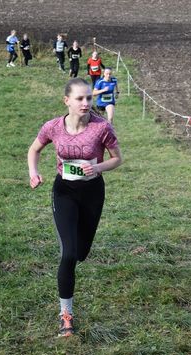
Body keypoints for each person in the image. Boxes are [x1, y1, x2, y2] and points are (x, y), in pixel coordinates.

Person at [27, 78, 123, 337]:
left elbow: (117, 159)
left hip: (92, 193)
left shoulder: (101, 127)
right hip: (65, 192)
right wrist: (33, 173)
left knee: (81, 253)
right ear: (66, 100)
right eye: (80, 98)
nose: (86, 103)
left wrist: (98, 167)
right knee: (68, 254)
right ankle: (66, 315)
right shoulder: (53, 127)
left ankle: (75, 251)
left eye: (89, 98)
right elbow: (34, 150)